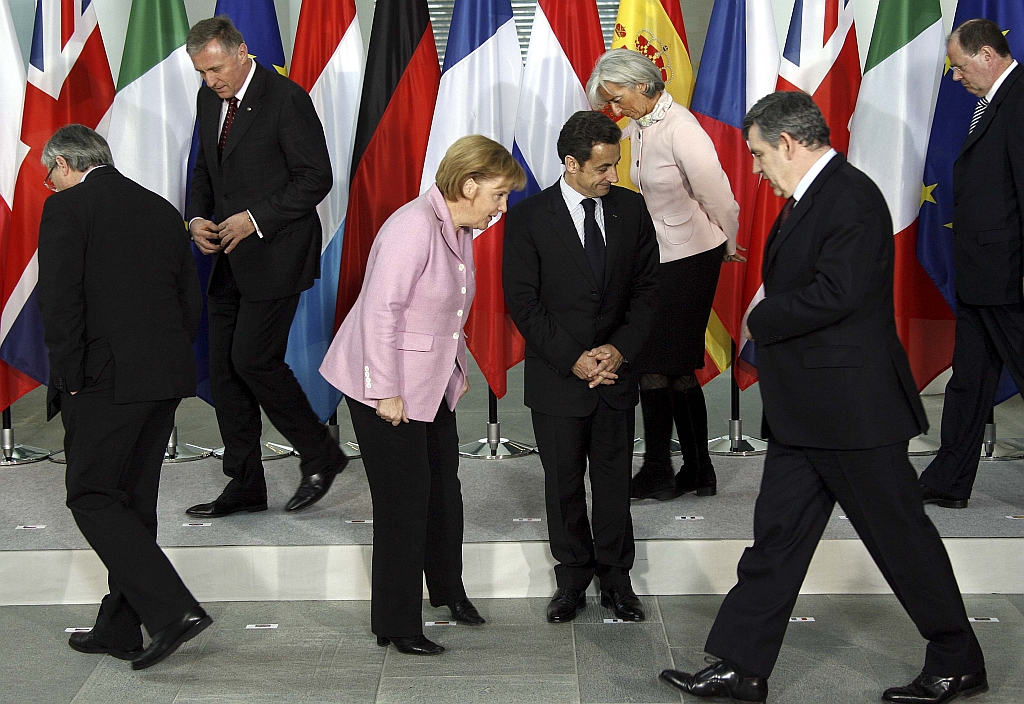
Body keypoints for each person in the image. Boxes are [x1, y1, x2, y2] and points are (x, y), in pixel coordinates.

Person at [660, 92, 986, 704]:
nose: (755, 168)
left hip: (851, 412)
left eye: (758, 154)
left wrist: (763, 319)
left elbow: (839, 294)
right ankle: (741, 666)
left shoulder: (850, 197)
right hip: (806, 410)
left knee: (901, 540)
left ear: (788, 143)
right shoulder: (813, 197)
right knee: (776, 539)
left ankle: (958, 659)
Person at [320, 136, 526, 655]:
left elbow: (442, 312)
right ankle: (396, 624)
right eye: (499, 195)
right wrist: (385, 391)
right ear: (469, 184)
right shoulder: (412, 225)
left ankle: (448, 591)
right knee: (403, 505)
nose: (503, 208)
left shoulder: (457, 227)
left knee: (443, 493)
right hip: (385, 388)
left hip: (430, 386)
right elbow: (380, 312)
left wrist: (453, 371)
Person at [37, 125, 211, 671]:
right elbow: (189, 298)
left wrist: (68, 380)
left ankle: (173, 610)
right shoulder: (160, 208)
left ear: (65, 163)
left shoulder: (67, 211)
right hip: (162, 376)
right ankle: (119, 627)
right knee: (132, 499)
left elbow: (61, 304)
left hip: (103, 380)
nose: (50, 184)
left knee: (90, 494)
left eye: (49, 174)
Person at [184, 16, 348, 518]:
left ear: (242, 51)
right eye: (201, 72)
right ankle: (245, 484)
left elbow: (314, 178)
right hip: (228, 258)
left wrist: (253, 219)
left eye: (215, 68)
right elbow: (204, 168)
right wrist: (194, 217)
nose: (211, 81)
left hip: (277, 252)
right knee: (224, 368)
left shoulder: (286, 99)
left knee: (253, 358)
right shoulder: (210, 99)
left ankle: (320, 453)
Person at [504, 111, 660, 624]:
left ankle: (617, 579)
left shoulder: (632, 211)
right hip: (557, 378)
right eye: (602, 168)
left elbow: (646, 291)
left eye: (616, 165)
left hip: (615, 376)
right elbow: (524, 304)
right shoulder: (528, 218)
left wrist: (617, 350)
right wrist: (573, 359)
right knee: (563, 483)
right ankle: (572, 577)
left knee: (614, 482)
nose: (612, 177)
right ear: (570, 163)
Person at [587, 49, 741, 501]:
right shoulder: (641, 125)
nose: (614, 110)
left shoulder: (683, 129)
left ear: (643, 85)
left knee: (655, 363)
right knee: (673, 368)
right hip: (661, 257)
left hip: (691, 258)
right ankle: (696, 468)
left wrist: (728, 244)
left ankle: (659, 469)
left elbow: (721, 197)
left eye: (617, 99)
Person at [918, 18, 1024, 510]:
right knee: (968, 382)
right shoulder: (992, 103)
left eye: (959, 66)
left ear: (986, 55)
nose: (956, 76)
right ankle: (948, 480)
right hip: (983, 274)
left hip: (1008, 279)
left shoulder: (1019, 100)